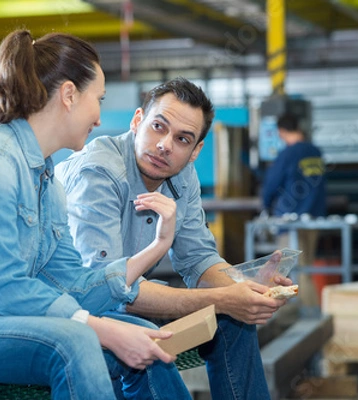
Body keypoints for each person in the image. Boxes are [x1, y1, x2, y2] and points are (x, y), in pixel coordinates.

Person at [0, 30, 192, 400]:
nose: (99, 116)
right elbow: (5, 287)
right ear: (69, 95)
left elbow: (71, 285)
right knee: (77, 339)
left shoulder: (47, 181)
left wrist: (159, 245)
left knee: (140, 333)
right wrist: (100, 330)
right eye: (99, 99)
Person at [56, 77, 293, 399]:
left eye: (182, 139)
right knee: (149, 337)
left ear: (196, 151)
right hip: (77, 304)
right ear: (137, 120)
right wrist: (223, 299)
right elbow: (105, 290)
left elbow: (198, 258)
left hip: (121, 298)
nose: (165, 144)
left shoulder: (181, 174)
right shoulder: (99, 173)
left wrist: (244, 288)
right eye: (158, 126)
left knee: (234, 323)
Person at [262, 113, 327, 307]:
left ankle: (308, 316)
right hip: (314, 219)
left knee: (289, 273)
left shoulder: (287, 154)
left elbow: (270, 185)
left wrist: (266, 207)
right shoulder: (315, 152)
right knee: (305, 267)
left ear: (281, 132)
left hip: (290, 222)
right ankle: (303, 314)